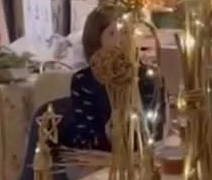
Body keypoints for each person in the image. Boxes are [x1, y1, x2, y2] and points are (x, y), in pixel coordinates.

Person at [67, 8, 163, 151]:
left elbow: (155, 131)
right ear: (96, 43)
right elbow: (83, 137)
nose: (120, 40)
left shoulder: (146, 77)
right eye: (112, 34)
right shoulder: (83, 81)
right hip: (98, 157)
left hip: (140, 156)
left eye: (124, 32)